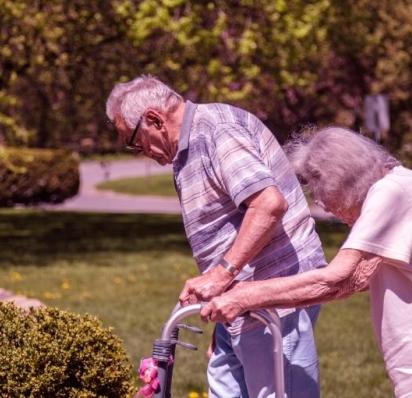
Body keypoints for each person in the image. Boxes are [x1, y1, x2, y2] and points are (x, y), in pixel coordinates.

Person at [106, 75, 326, 398]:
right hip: (237, 301)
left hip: (275, 294)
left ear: (154, 119)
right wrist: (222, 305)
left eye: (135, 141)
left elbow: (268, 204)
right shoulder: (186, 149)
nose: (139, 152)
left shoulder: (216, 132)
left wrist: (222, 275)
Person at [201, 126, 412, 398]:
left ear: (343, 179)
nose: (325, 206)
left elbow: (337, 279)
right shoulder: (399, 186)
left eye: (322, 193)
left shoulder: (390, 193)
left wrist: (245, 297)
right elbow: (353, 281)